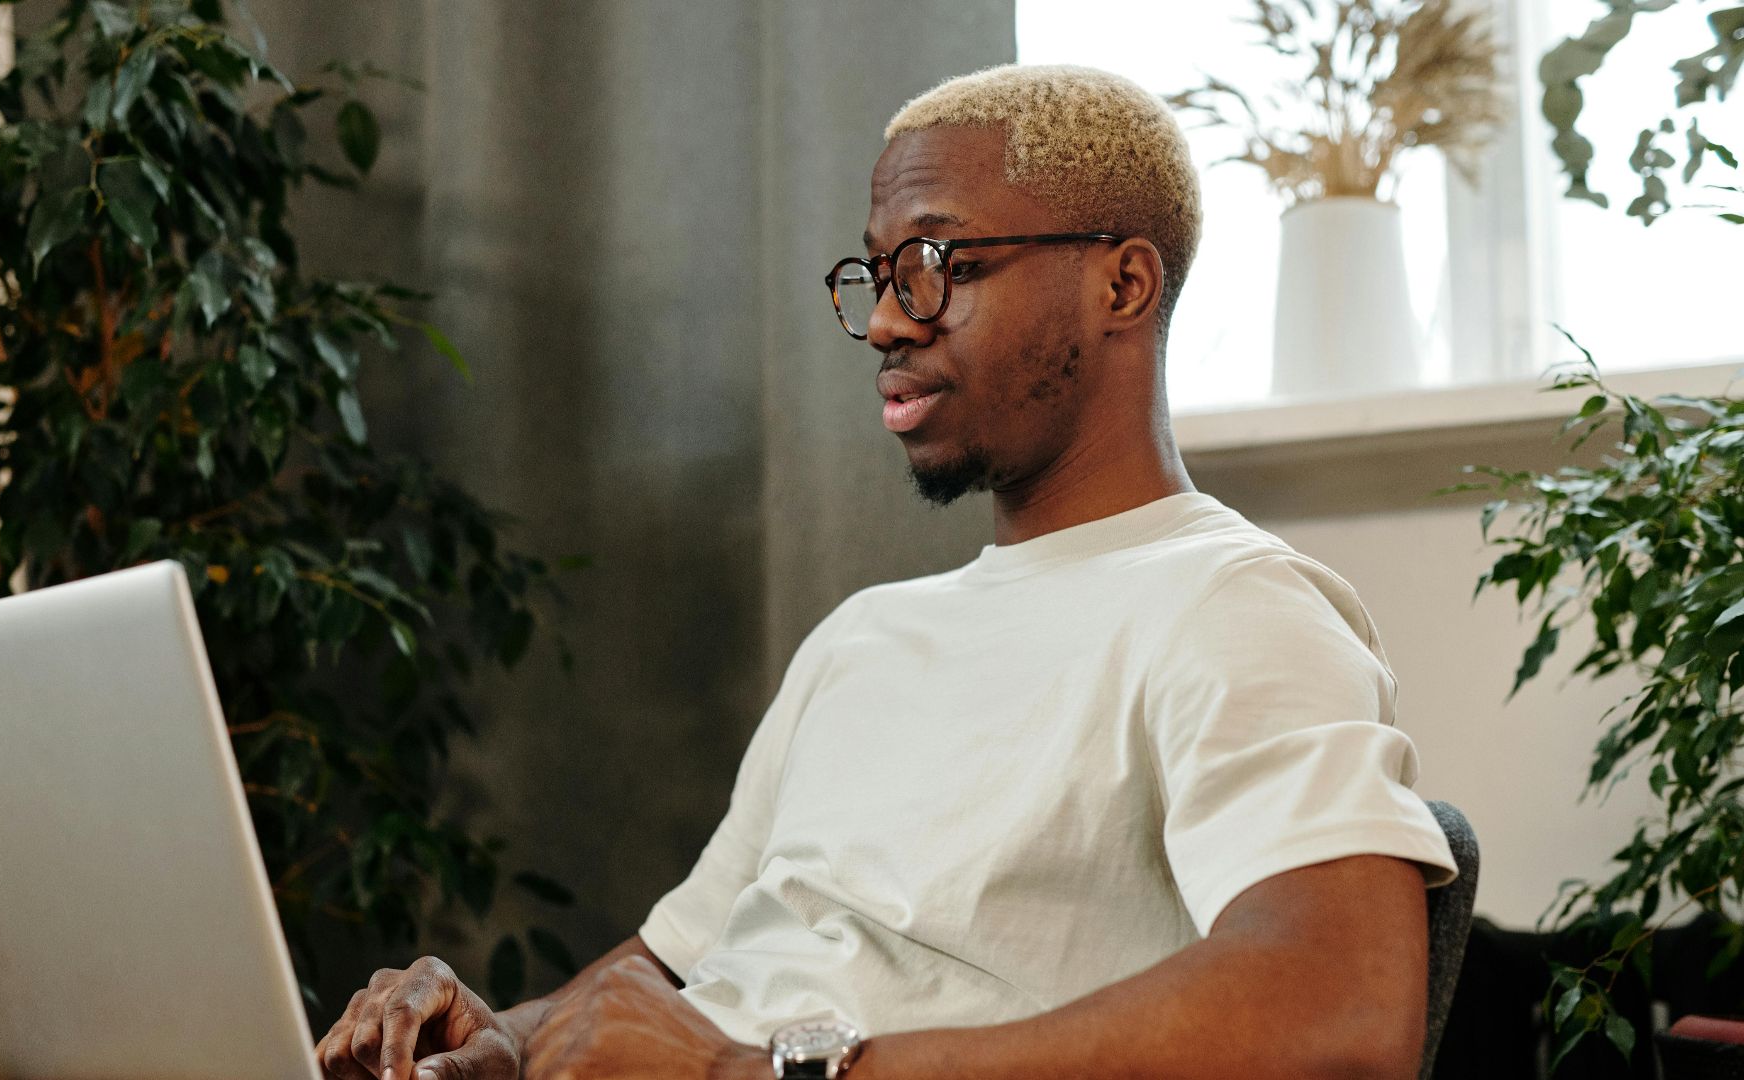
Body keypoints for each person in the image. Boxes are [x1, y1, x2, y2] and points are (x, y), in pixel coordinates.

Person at [314, 63, 1458, 1080]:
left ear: (1122, 287)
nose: (886, 325)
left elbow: (1340, 1013)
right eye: (876, 275)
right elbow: (679, 970)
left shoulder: (1232, 606)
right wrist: (498, 1041)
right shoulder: (860, 638)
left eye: (938, 265)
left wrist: (764, 1074)